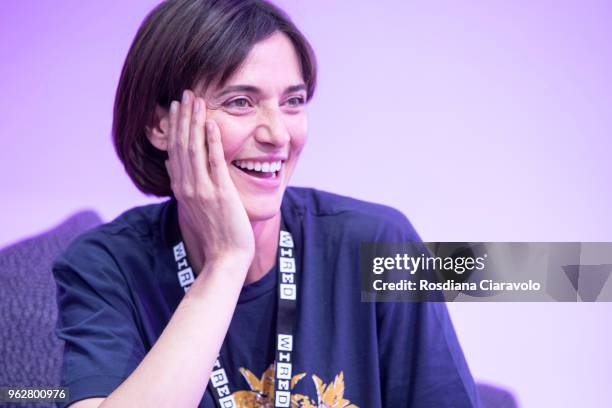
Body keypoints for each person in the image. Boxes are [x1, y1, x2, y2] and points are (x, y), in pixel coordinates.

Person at [53, 0, 480, 407]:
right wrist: (226, 262)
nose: (277, 133)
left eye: (292, 102)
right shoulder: (105, 266)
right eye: (240, 102)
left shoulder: (383, 244)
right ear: (159, 125)